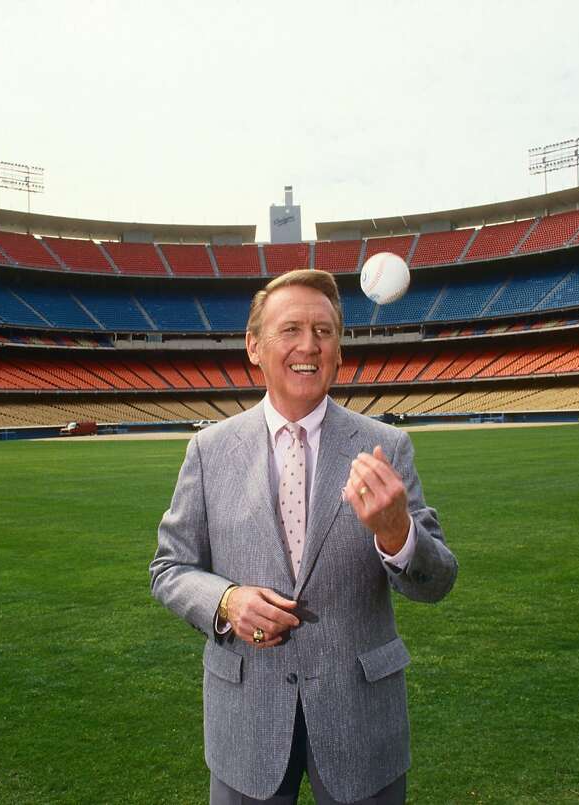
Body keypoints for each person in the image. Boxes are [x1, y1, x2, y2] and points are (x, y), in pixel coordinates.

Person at [150, 269, 457, 804]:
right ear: (255, 346)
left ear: (339, 350)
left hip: (361, 720)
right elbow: (169, 568)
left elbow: (436, 583)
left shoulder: (387, 447)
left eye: (324, 331)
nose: (308, 346)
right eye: (290, 329)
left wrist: (397, 533)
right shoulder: (209, 451)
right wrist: (226, 600)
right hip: (247, 721)